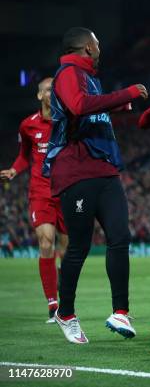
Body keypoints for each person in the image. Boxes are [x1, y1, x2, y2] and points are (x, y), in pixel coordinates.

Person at [43, 27, 148, 344]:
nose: (100, 47)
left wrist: (118, 106)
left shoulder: (89, 77)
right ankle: (66, 313)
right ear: (87, 47)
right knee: (79, 245)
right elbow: (77, 106)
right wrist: (126, 94)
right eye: (97, 43)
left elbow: (90, 109)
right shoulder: (68, 72)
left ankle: (120, 312)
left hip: (104, 169)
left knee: (120, 237)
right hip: (76, 170)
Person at [1, 77, 68, 323]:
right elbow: (23, 156)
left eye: (56, 89)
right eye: (48, 90)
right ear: (40, 95)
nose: (53, 93)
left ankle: (64, 291)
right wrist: (14, 170)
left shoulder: (68, 121)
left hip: (67, 191)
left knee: (67, 250)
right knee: (46, 241)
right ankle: (53, 304)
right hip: (40, 192)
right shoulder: (27, 125)